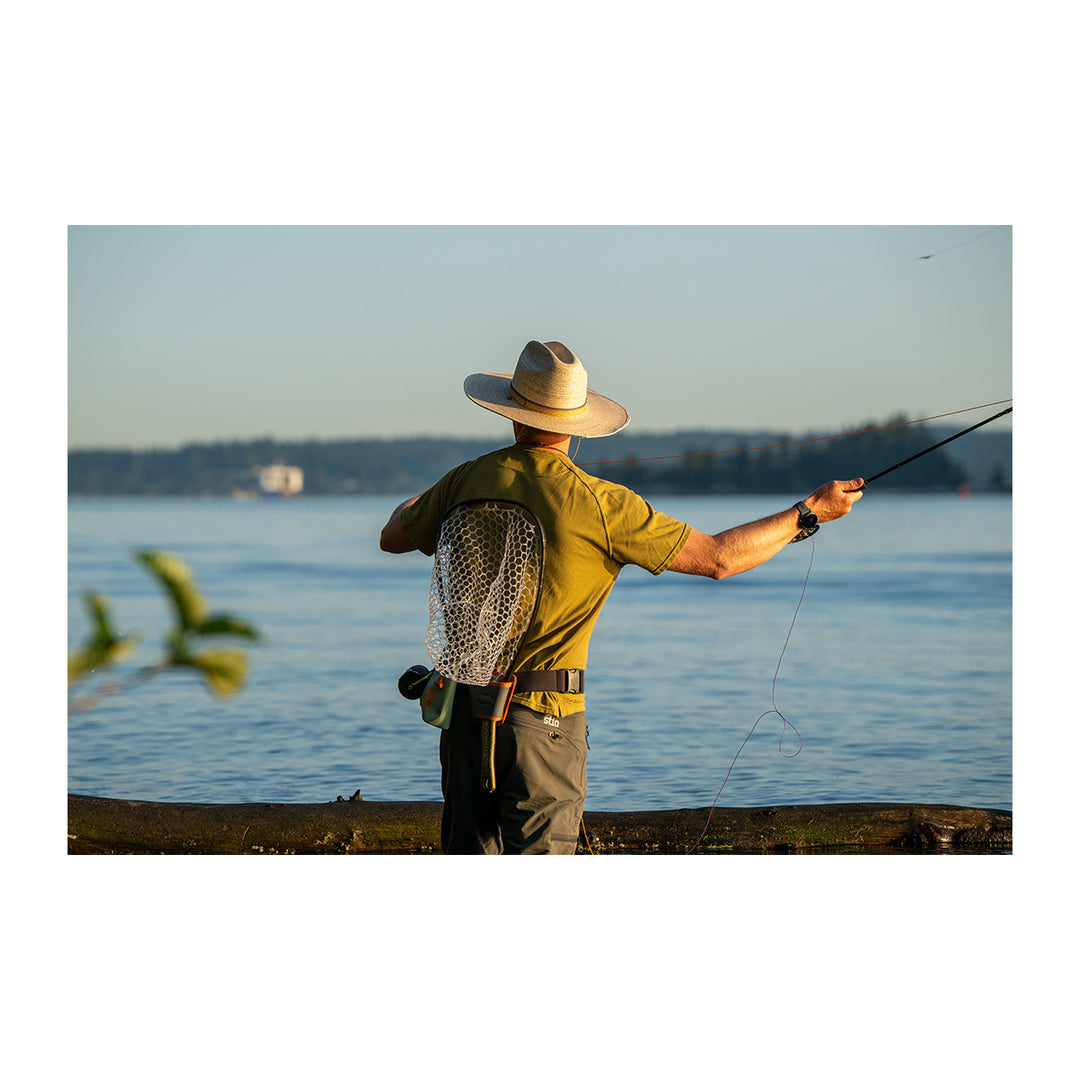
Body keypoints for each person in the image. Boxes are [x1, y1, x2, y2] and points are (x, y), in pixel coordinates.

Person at [380, 340, 863, 854]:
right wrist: (809, 512)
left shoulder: (463, 479)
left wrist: (427, 499)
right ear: (577, 423)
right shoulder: (601, 504)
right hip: (542, 725)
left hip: (460, 721)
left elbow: (393, 537)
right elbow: (720, 558)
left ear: (512, 413)